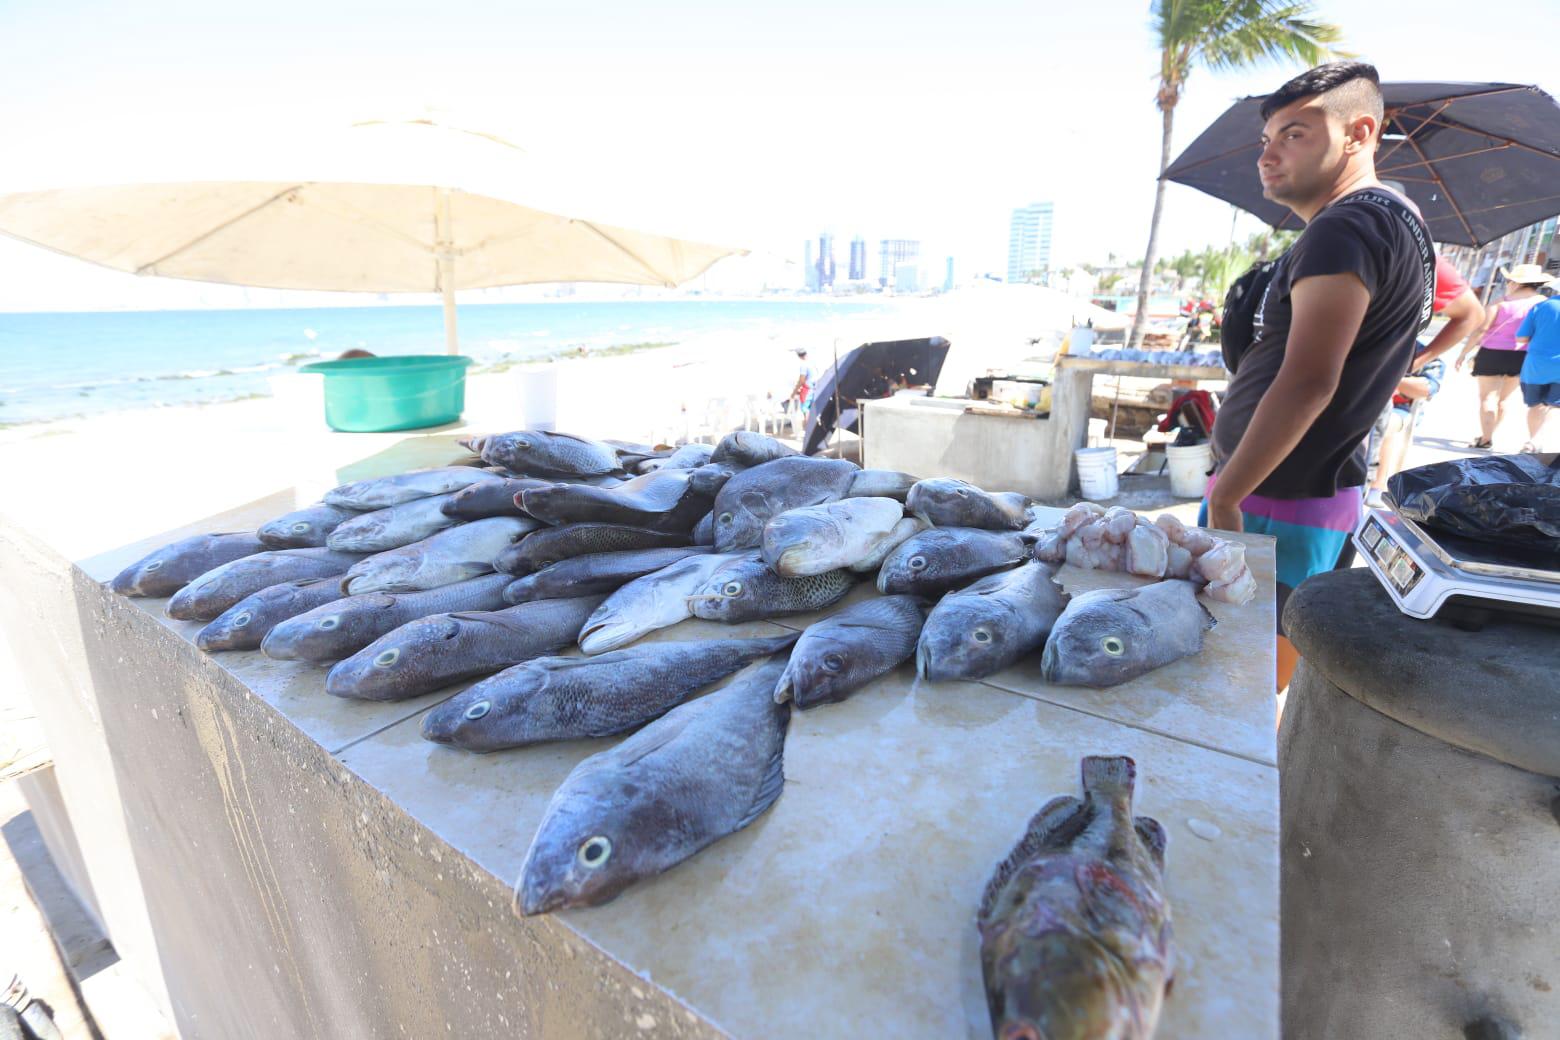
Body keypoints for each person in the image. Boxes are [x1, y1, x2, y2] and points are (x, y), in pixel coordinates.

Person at [1203, 62, 1434, 691]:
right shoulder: (1401, 221)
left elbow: (1310, 381)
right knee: (1252, 677)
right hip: (1310, 491)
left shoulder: (1348, 225)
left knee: (1233, 688)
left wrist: (1227, 495)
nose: (1269, 155)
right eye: (1267, 139)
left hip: (1275, 497)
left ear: (1359, 133)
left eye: (1295, 135)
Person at [1453, 263, 1552, 448]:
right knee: (1504, 400)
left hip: (1492, 353)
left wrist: (1463, 353)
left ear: (1515, 283)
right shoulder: (1542, 303)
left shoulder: (1500, 302)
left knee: (1487, 397)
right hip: (1522, 355)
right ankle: (1488, 436)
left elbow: (1481, 330)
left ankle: (1486, 438)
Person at [1365, 341, 1444, 506]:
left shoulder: (1425, 352)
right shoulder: (1372, 340)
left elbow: (1427, 388)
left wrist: (1387, 375)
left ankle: (1378, 485)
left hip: (1399, 409)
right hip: (1363, 403)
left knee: (1384, 423)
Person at [1514, 281, 1560, 452]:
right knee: (1556, 406)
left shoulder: (1541, 306)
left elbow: (1521, 338)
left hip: (1536, 365)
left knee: (1535, 404)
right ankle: (1536, 442)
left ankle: (1533, 443)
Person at [788, 349, 816, 413]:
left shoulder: (804, 365)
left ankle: (807, 423)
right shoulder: (812, 364)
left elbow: (801, 380)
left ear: (799, 356)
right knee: (812, 411)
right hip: (814, 389)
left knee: (805, 411)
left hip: (807, 391)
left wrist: (794, 393)